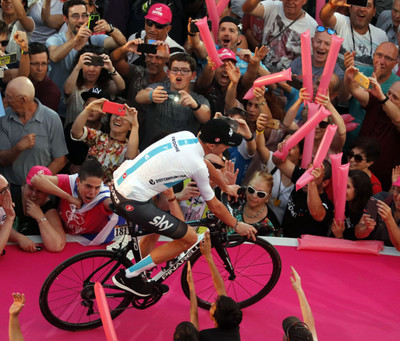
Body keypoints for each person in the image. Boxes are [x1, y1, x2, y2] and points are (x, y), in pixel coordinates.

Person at [110, 119, 257, 297]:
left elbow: (204, 161)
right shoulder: (197, 166)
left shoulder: (187, 136)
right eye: (225, 146)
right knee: (190, 238)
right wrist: (236, 224)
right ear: (212, 145)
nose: (226, 149)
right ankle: (129, 276)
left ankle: (140, 273)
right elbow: (215, 206)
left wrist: (225, 187)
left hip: (120, 182)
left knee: (154, 231)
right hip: (132, 198)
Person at [46, 0, 126, 114]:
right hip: (57, 108)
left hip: (84, 109)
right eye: (75, 16)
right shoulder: (55, 39)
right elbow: (54, 56)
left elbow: (121, 42)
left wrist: (110, 29)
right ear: (65, 19)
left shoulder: (94, 40)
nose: (81, 20)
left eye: (85, 15)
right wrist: (76, 39)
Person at [198, 231, 245, 341]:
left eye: (213, 307)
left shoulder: (206, 336)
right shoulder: (234, 327)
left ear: (215, 318)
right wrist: (209, 256)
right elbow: (221, 290)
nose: (211, 304)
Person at [0, 76, 68, 186]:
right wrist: (18, 148)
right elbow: (2, 159)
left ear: (23, 100)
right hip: (10, 189)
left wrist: (36, 183)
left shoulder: (52, 118)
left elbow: (59, 161)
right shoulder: (3, 118)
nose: (5, 101)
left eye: (9, 97)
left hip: (39, 190)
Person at [135, 53, 211, 151]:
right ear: (168, 73)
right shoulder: (159, 88)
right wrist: (151, 95)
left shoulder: (198, 99)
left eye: (185, 71)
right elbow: (139, 96)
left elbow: (206, 117)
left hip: (180, 156)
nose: (179, 74)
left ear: (193, 75)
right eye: (175, 70)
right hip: (150, 150)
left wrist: (195, 105)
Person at [30, 158, 115, 241]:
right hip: (65, 238)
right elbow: (36, 179)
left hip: (88, 242)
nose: (92, 192)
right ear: (78, 181)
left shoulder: (104, 194)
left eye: (97, 187)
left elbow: (112, 203)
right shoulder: (69, 181)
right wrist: (69, 197)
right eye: (88, 186)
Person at [344, 66, 400, 190]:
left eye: (395, 97)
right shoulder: (378, 103)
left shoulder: (384, 102)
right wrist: (349, 77)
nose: (389, 97)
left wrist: (383, 98)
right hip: (353, 171)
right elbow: (355, 89)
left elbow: (397, 119)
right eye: (389, 93)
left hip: (378, 185)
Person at [342, 42, 400, 149]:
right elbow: (343, 97)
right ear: (373, 56)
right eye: (379, 55)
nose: (381, 61)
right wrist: (347, 75)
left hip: (376, 146)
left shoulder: (397, 85)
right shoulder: (359, 71)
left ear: (395, 63)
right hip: (347, 138)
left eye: (387, 58)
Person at [70, 98, 139, 184]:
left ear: (130, 127)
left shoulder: (128, 148)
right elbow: (76, 132)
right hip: (82, 185)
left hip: (106, 195)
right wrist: (88, 110)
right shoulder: (98, 137)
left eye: (124, 117)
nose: (118, 118)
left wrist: (135, 125)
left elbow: (131, 157)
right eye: (116, 114)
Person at [273, 143, 334, 238]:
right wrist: (282, 152)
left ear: (325, 183)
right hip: (284, 239)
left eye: (314, 176)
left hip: (304, 248)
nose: (306, 178)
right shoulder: (302, 176)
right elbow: (278, 162)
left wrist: (311, 182)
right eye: (307, 173)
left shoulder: (326, 203)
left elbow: (317, 214)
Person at [242, 0, 318, 71]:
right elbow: (247, 9)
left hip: (286, 79)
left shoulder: (311, 27)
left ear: (304, 1)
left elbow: (308, 62)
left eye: (295, 0)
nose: (290, 2)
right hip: (262, 68)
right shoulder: (273, 6)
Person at [63, 44, 125, 126]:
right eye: (87, 64)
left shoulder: (106, 86)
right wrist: (77, 67)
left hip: (97, 135)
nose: (91, 69)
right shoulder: (74, 84)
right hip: (73, 134)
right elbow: (67, 90)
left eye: (96, 65)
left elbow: (121, 87)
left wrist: (111, 68)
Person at [9, 165, 66, 252]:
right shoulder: (9, 196)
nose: (34, 194)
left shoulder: (49, 209)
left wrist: (40, 217)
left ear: (48, 193)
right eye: (30, 188)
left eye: (40, 191)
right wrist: (19, 238)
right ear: (23, 185)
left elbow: (56, 246)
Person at [319, 0, 388, 69]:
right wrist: (333, 4)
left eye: (368, 5)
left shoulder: (381, 37)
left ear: (374, 11)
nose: (362, 9)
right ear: (350, 7)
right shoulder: (341, 22)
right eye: (358, 4)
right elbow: (324, 17)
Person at [126, 3, 184, 67]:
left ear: (168, 29)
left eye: (159, 26)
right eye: (149, 23)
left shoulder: (177, 53)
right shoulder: (135, 38)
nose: (152, 29)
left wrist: (167, 61)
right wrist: (124, 49)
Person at [355, 175, 400, 250]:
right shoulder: (379, 199)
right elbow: (358, 233)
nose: (398, 197)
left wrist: (389, 220)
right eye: (398, 190)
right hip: (377, 252)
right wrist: (367, 229)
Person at [231, 170, 281, 236]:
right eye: (251, 190)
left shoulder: (271, 223)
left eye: (261, 194)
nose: (254, 196)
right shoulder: (235, 200)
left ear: (268, 198)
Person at [331, 169, 372, 240]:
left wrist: (339, 236)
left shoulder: (367, 212)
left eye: (347, 187)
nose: (341, 188)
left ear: (358, 190)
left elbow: (358, 246)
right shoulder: (344, 204)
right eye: (342, 184)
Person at [28, 42, 61, 112]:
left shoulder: (52, 92)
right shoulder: (17, 80)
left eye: (44, 64)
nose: (40, 69)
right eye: (35, 64)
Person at [0, 174, 15, 255]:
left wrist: (9, 216)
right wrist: (10, 217)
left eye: (7, 187)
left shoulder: (2, 208)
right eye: (3, 191)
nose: (8, 193)